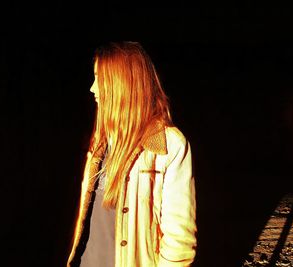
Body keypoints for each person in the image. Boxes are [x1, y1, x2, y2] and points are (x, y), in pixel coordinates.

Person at [67, 42, 197, 267]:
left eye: (99, 78)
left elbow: (179, 244)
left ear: (122, 84)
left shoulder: (169, 146)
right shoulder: (102, 139)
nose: (92, 88)